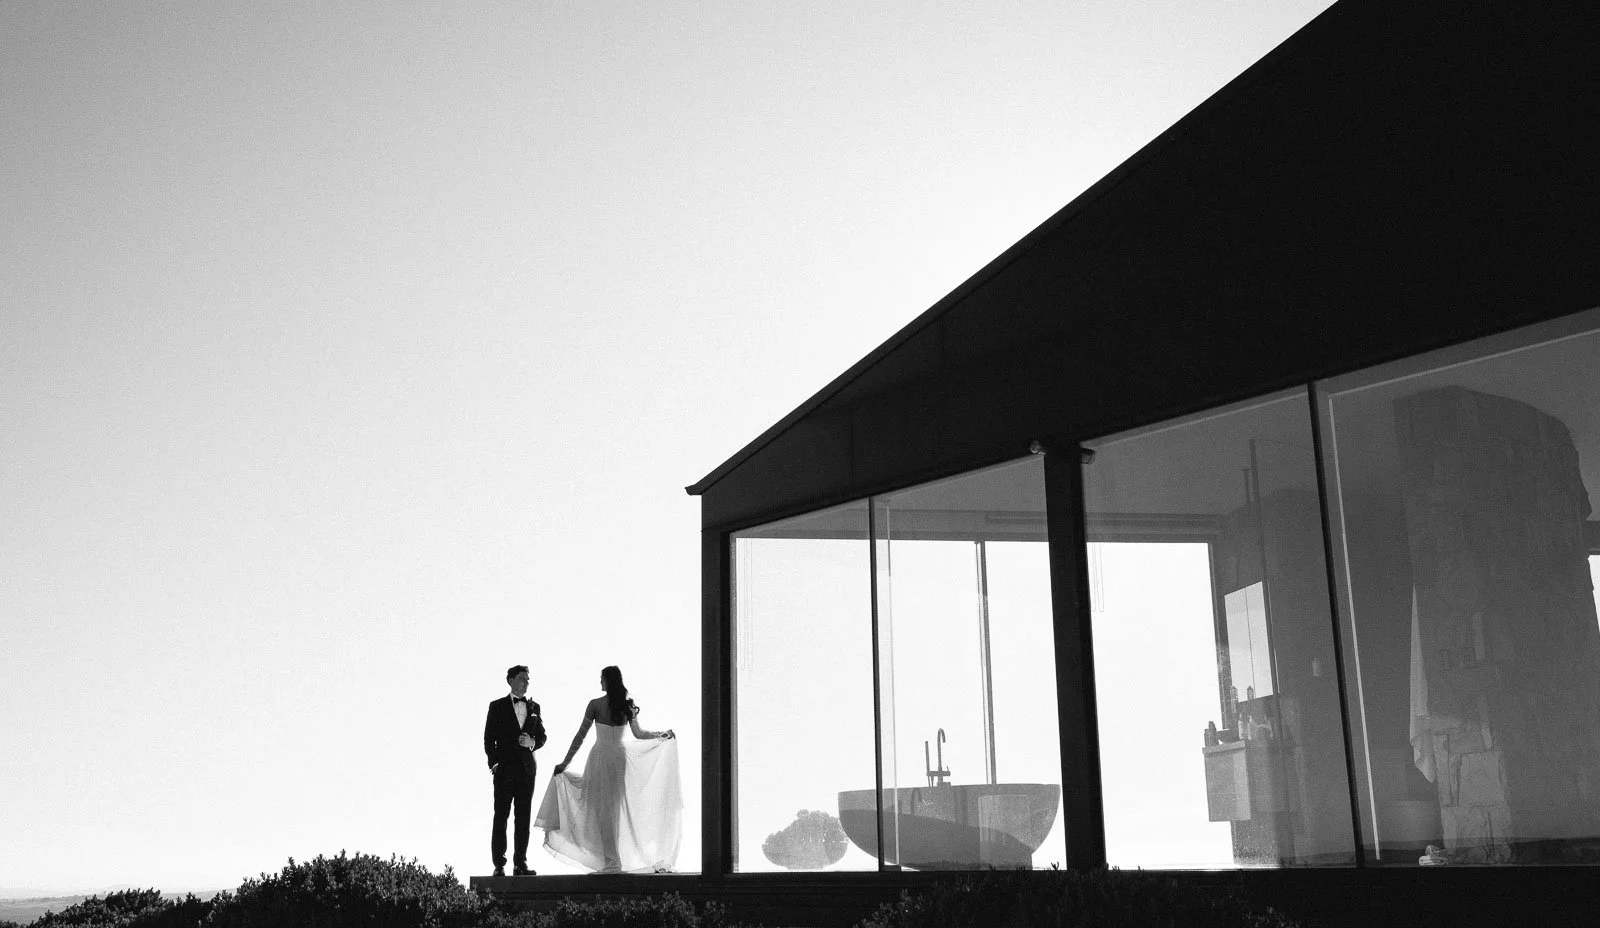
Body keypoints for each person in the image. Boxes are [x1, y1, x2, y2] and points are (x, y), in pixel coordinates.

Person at [536, 665, 681, 873]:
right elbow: (639, 734)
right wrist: (661, 734)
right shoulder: (625, 705)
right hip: (618, 757)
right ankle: (610, 860)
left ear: (608, 680)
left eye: (602, 679)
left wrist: (565, 763)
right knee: (612, 810)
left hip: (601, 757)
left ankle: (612, 862)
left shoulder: (595, 705)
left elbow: (580, 736)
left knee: (602, 810)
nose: (600, 682)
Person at [484, 664, 547, 877]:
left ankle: (520, 864)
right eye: (522, 678)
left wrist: (532, 742)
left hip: (527, 770)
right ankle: (499, 865)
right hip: (504, 770)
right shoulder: (497, 706)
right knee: (501, 816)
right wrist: (493, 762)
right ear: (510, 680)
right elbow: (488, 738)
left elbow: (542, 737)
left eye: (528, 679)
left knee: (523, 817)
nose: (526, 682)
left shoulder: (534, 707)